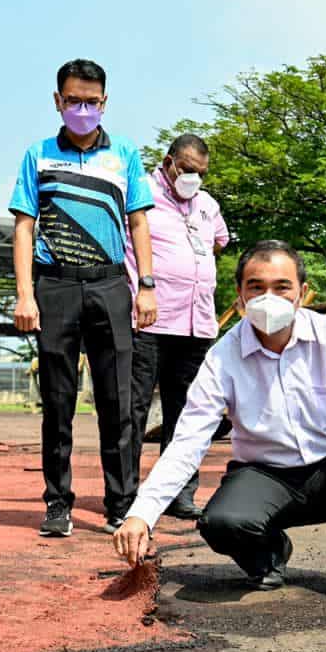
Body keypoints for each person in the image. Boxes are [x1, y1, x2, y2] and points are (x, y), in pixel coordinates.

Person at [113, 240, 326, 607]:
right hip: (265, 478)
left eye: (281, 287)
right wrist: (141, 515)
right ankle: (269, 551)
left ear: (301, 293)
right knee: (221, 522)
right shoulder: (222, 358)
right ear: (239, 298)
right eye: (256, 287)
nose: (268, 297)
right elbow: (187, 442)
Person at [9, 59, 157, 538]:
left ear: (105, 103)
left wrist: (147, 285)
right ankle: (57, 501)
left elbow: (138, 222)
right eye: (73, 101)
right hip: (55, 287)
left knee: (118, 400)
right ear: (58, 101)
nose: (82, 109)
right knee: (58, 401)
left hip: (111, 285)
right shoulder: (38, 154)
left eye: (91, 102)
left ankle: (122, 502)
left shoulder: (127, 155)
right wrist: (25, 294)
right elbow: (24, 226)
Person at [126, 133, 229, 520]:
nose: (193, 178)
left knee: (186, 414)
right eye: (186, 169)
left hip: (196, 323)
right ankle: (125, 494)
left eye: (200, 172)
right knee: (134, 409)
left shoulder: (207, 204)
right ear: (169, 162)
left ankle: (180, 493)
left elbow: (219, 241)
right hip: (151, 319)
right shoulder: (140, 195)